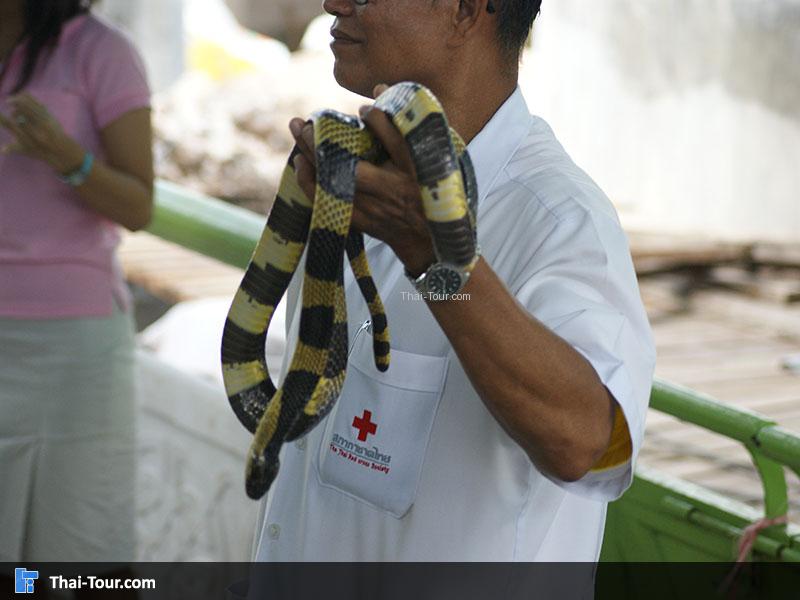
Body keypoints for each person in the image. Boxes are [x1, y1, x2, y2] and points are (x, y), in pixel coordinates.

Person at [254, 0, 656, 564]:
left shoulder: (558, 218)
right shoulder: (353, 175)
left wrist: (434, 258)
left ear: (467, 10)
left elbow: (586, 443)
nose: (333, 4)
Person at [0, 0, 153, 571]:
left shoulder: (100, 50)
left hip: (74, 350)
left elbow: (140, 206)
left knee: (79, 565)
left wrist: (66, 158)